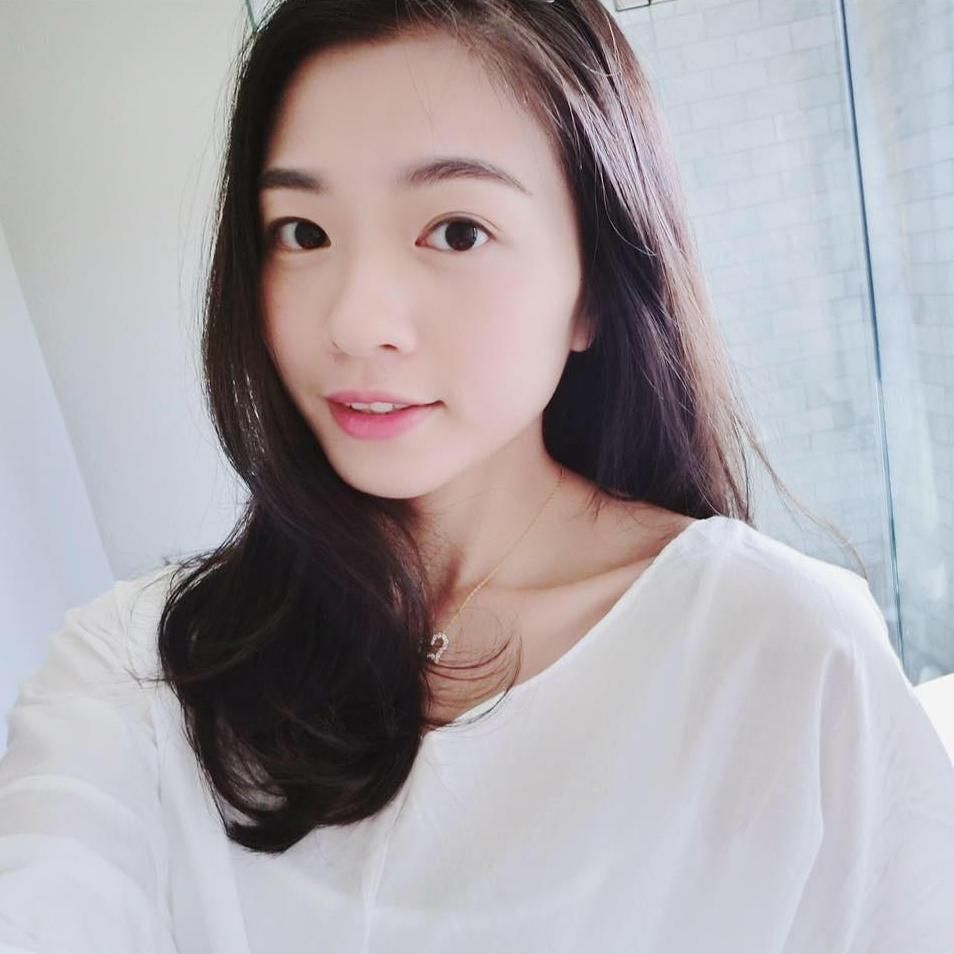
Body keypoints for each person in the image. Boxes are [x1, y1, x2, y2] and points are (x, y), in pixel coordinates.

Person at [2, 0, 953, 951]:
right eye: (302, 232)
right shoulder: (143, 670)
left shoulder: (785, 656)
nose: (355, 322)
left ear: (593, 285)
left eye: (456, 231)